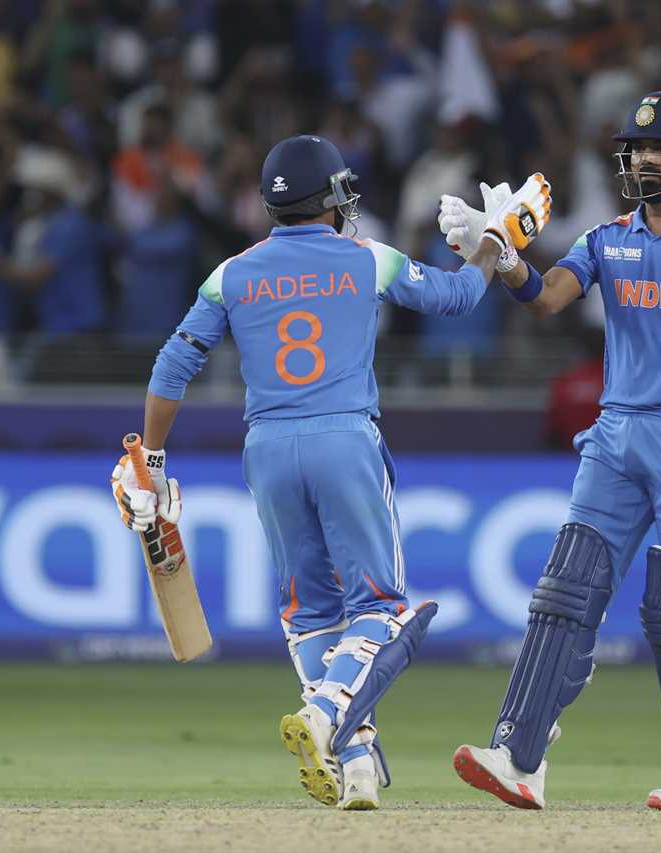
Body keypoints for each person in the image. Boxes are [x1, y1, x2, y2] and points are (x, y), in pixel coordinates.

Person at [108, 134, 551, 811]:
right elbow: (459, 298)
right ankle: (325, 717)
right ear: (333, 199)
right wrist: (495, 242)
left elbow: (172, 366)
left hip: (267, 450)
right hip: (343, 439)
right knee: (383, 607)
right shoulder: (366, 258)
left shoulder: (231, 272)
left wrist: (155, 463)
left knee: (311, 611)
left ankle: (358, 765)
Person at [438, 91, 661, 811]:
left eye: (656, 149)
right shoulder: (607, 237)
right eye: (633, 150)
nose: (640, 160)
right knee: (565, 587)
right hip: (616, 430)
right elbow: (546, 297)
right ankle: (519, 755)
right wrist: (503, 255)